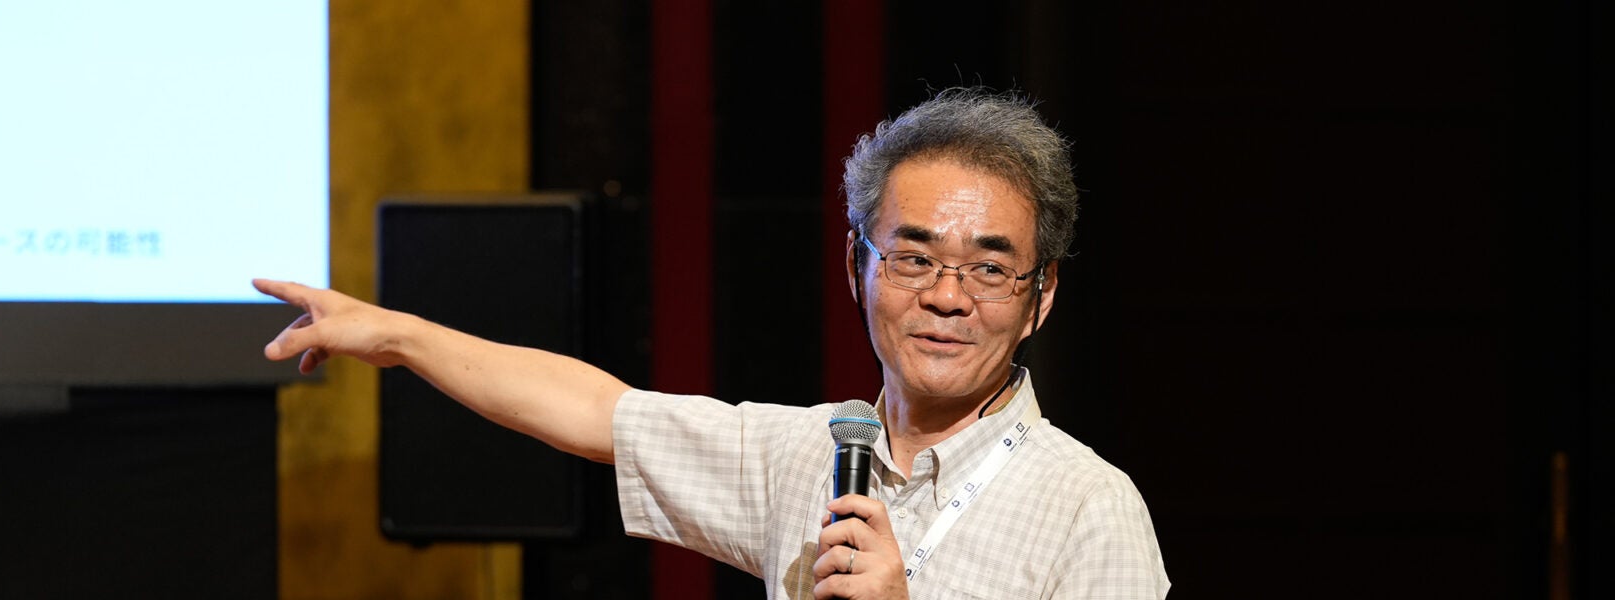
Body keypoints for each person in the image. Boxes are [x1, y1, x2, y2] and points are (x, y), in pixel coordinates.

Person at [255, 87, 1169, 599]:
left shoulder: (1090, 508)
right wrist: (399, 335)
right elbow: (593, 412)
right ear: (857, 267)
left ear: (1041, 295)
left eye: (989, 269)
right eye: (914, 256)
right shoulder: (812, 456)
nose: (944, 298)